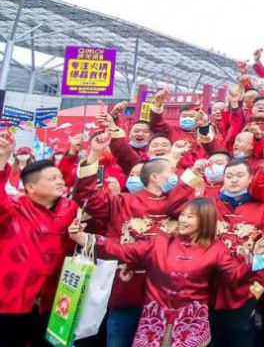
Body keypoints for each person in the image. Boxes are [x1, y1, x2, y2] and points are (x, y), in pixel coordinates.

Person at [68, 197, 264, 347]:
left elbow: (235, 275)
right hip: (153, 323)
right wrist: (84, 238)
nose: (183, 219)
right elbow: (121, 250)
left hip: (191, 326)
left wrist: (258, 257)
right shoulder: (159, 242)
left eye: (190, 216)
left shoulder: (216, 248)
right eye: (183, 214)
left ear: (205, 220)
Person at [73, 132, 200, 347]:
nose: (176, 176)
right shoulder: (122, 202)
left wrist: (191, 176)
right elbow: (86, 197)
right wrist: (94, 153)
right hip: (127, 291)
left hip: (169, 295)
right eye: (171, 172)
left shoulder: (182, 206)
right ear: (155, 177)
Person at [0, 131, 78, 347]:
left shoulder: (70, 209)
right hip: (11, 298)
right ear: (31, 187)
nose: (60, 182)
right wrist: (3, 156)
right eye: (52, 179)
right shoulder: (15, 207)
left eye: (60, 177)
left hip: (53, 299)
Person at [210, 159, 264, 347]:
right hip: (209, 291)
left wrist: (254, 295)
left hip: (243, 293)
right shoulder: (210, 204)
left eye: (239, 175)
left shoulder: (262, 209)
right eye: (229, 176)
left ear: (250, 178)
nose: (234, 180)